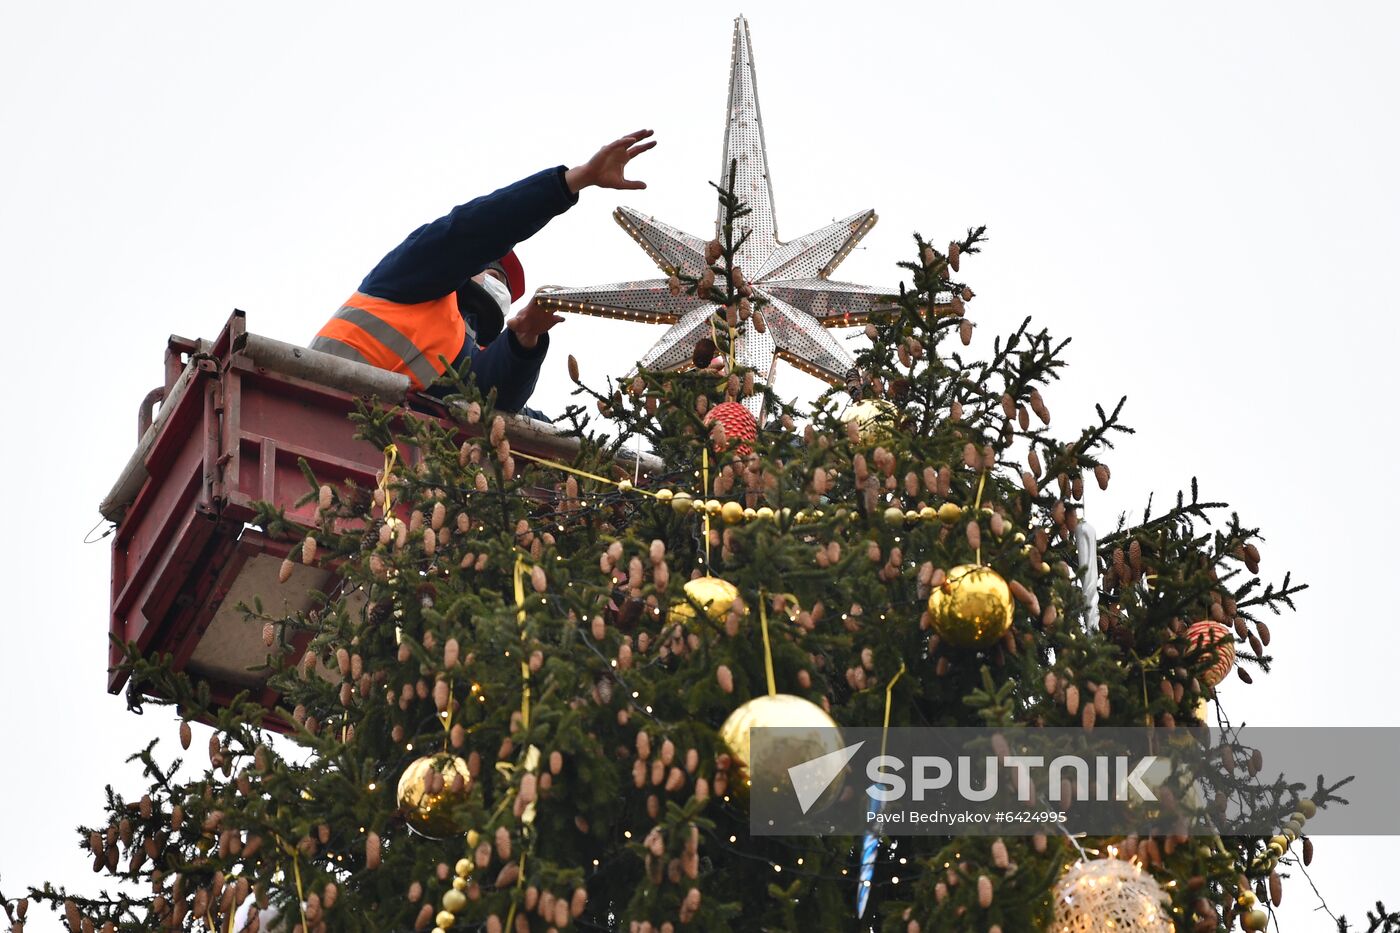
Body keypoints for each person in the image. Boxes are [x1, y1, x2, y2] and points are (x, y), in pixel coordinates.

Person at [310, 130, 656, 412]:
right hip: (317, 401)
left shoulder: (458, 344)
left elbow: (490, 399)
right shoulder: (411, 275)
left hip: (384, 449)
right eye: (492, 269)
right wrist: (573, 181)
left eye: (504, 281)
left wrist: (524, 342)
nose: (497, 281)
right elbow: (477, 229)